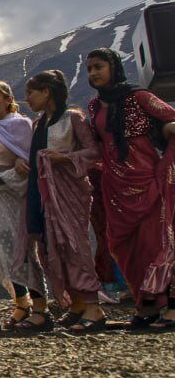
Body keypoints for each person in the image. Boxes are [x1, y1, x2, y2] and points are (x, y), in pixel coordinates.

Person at [85, 47, 175, 327]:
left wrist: (167, 130)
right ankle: (146, 305)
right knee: (125, 246)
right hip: (115, 186)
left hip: (149, 180)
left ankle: (171, 307)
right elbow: (98, 146)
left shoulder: (139, 97)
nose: (93, 73)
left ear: (113, 67)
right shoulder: (95, 106)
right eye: (89, 69)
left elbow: (172, 118)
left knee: (157, 243)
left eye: (98, 67)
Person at [22, 70, 105, 332]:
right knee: (52, 248)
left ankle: (94, 306)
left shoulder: (73, 118)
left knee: (74, 245)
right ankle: (76, 303)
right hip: (44, 193)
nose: (28, 99)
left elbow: (93, 151)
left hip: (69, 192)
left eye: (31, 93)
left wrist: (64, 158)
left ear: (47, 91)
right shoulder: (38, 124)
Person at [0, 81, 49, 331]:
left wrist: (1, 178)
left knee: (21, 252)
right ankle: (21, 303)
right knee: (2, 252)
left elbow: (28, 164)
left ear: (8, 99)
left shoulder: (21, 126)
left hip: (15, 197)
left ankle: (41, 309)